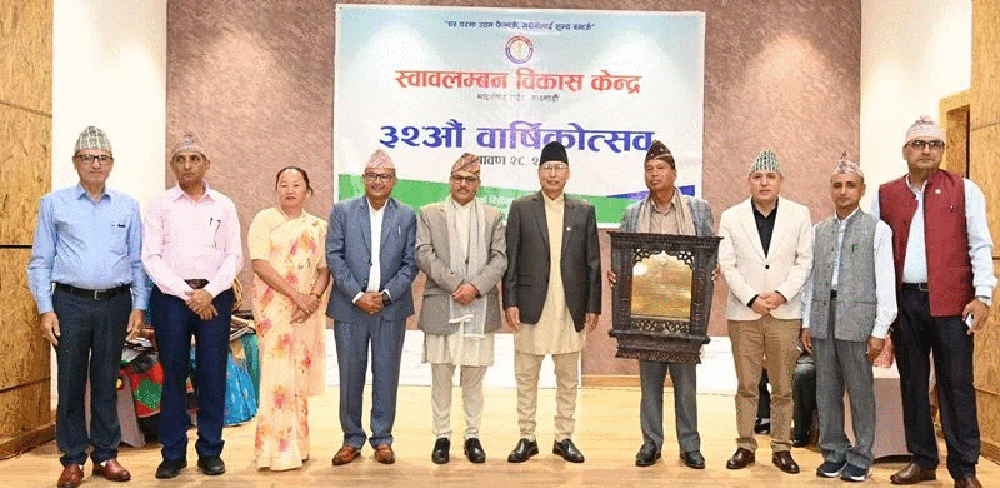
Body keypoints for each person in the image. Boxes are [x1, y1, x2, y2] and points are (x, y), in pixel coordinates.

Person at [873, 116, 994, 488]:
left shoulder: (965, 190)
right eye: (919, 144)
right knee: (912, 383)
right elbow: (877, 255)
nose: (927, 150)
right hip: (905, 302)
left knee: (956, 385)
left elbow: (981, 244)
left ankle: (965, 469)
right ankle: (923, 459)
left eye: (934, 144)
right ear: (905, 151)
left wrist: (984, 295)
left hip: (954, 303)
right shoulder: (885, 194)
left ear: (942, 150)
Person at [27, 126, 145, 488]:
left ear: (111, 163)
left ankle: (106, 455)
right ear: (75, 162)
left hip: (115, 304)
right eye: (88, 158)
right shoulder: (54, 204)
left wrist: (139, 305)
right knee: (71, 382)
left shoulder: (127, 205)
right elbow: (40, 261)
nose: (96, 164)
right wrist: (46, 309)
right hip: (69, 304)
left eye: (102, 158)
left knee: (108, 382)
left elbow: (137, 261)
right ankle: (73, 459)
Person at [143, 132, 242, 479]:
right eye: (180, 160)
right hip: (171, 299)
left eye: (194, 159)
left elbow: (234, 256)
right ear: (172, 165)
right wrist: (189, 294)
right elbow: (151, 257)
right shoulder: (160, 205)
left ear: (206, 164)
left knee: (212, 375)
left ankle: (210, 451)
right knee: (173, 375)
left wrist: (209, 293)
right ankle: (172, 454)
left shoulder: (224, 205)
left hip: (214, 297)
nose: (187, 166)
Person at [611, 141, 713, 469]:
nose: (654, 174)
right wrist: (617, 273)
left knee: (686, 386)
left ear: (674, 173)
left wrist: (712, 269)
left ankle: (690, 445)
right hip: (646, 310)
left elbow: (709, 253)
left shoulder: (697, 210)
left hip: (684, 312)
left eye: (660, 168)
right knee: (650, 384)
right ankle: (651, 443)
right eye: (649, 169)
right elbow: (624, 256)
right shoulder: (633, 213)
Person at [503, 141, 601, 464]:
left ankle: (564, 437)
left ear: (568, 173)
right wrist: (510, 301)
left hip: (569, 307)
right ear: (539, 173)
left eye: (559, 168)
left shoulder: (584, 211)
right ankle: (526, 437)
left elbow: (593, 263)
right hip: (531, 305)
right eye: (547, 168)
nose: (553, 174)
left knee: (568, 379)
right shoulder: (521, 208)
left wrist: (593, 306)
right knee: (526, 377)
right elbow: (511, 259)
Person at [800, 154, 896, 481]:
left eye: (850, 185)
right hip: (823, 316)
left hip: (858, 319)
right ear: (830, 190)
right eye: (838, 185)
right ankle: (834, 451)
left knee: (860, 391)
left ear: (861, 189)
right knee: (826, 390)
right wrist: (806, 321)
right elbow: (810, 279)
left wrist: (880, 329)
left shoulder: (878, 230)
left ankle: (861, 455)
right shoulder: (818, 231)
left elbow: (885, 281)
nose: (843, 191)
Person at [718, 149, 813, 474]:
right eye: (758, 177)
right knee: (746, 385)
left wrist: (782, 294)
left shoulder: (799, 214)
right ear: (749, 181)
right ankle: (745, 445)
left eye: (770, 177)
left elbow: (804, 260)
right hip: (744, 313)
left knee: (783, 387)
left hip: (784, 312)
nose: (764, 183)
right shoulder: (731, 217)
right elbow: (727, 264)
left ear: (780, 181)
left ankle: (781, 448)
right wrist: (751, 299)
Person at [326, 150, 417, 465]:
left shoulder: (406, 215)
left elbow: (410, 263)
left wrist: (386, 295)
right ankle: (351, 439)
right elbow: (334, 256)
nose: (378, 181)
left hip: (390, 309)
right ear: (363, 179)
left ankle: (382, 439)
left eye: (384, 177)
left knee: (386, 374)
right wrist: (357, 295)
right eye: (372, 176)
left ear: (394, 181)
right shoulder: (342, 211)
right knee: (350, 375)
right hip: (349, 308)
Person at [416, 153, 507, 464]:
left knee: (474, 378)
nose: (463, 184)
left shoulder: (494, 216)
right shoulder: (429, 213)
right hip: (442, 304)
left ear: (479, 184)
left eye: (470, 179)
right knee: (441, 376)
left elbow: (500, 258)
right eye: (458, 178)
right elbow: (424, 255)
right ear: (449, 181)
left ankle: (472, 436)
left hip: (479, 306)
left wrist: (475, 288)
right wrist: (457, 285)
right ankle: (441, 437)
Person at [248, 166, 331, 470]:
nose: (290, 190)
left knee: (298, 378)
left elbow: (324, 269)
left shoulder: (318, 226)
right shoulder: (264, 220)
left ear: (308, 191)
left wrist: (312, 299)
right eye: (284, 184)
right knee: (276, 378)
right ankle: (274, 452)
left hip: (306, 313)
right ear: (276, 190)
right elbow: (259, 264)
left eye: (297, 185)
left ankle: (299, 446)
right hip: (274, 310)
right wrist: (296, 296)